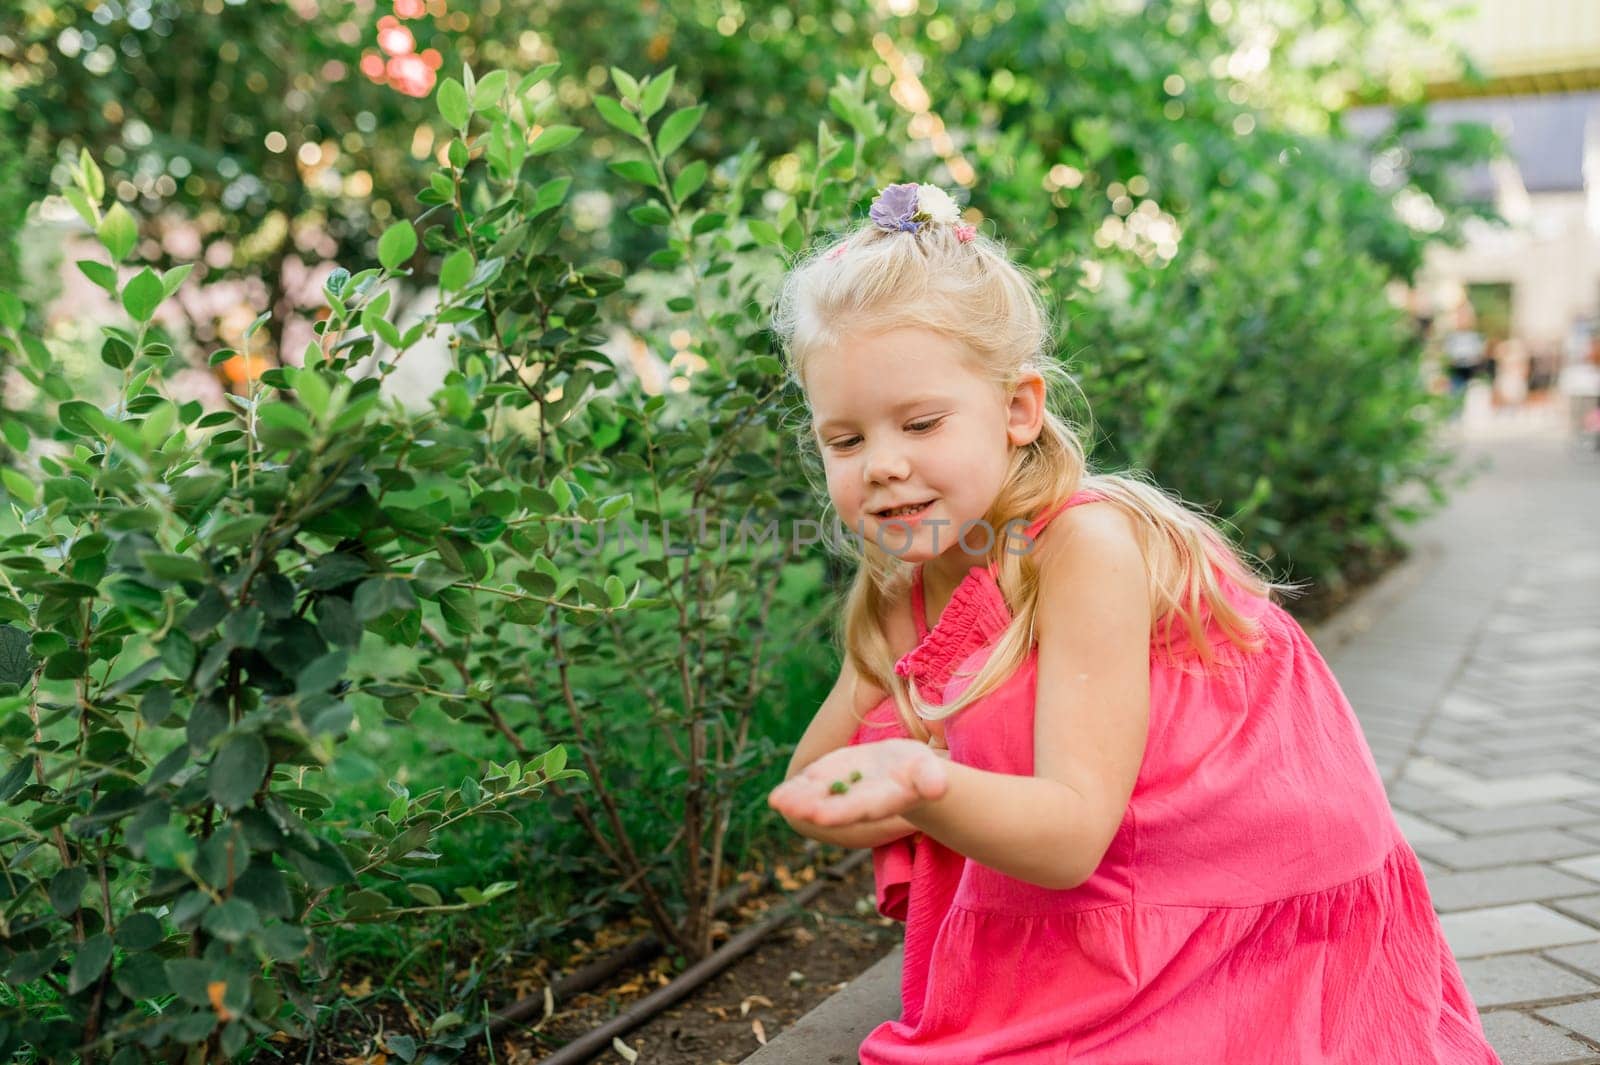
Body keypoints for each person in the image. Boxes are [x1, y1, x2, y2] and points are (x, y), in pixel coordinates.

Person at [765, 181, 1501, 1064]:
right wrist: (857, 786)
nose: (882, 465)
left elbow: (1073, 833)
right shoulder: (906, 576)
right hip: (1101, 881)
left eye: (920, 422)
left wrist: (922, 782)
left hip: (1242, 896)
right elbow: (815, 783)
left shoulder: (1082, 546)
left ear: (1018, 409)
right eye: (844, 441)